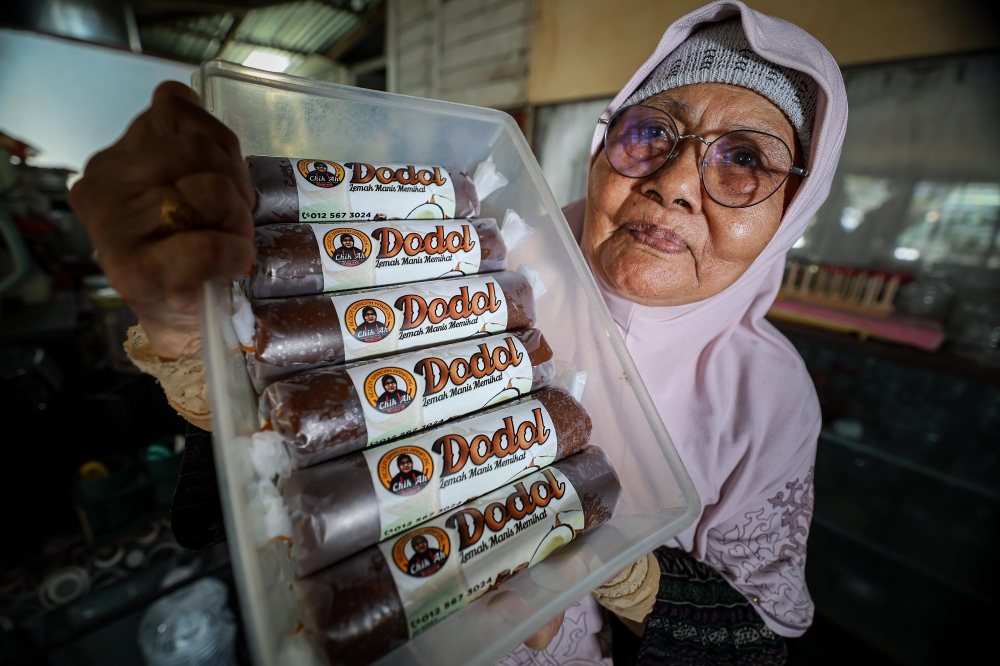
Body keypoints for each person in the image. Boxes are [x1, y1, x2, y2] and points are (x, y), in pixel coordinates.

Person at [68, 1, 847, 662]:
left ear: (792, 214)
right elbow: (261, 456)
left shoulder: (768, 399)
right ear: (607, 144)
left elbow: (758, 643)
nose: (675, 183)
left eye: (744, 160)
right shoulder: (485, 249)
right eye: (652, 134)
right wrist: (182, 324)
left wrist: (624, 568)